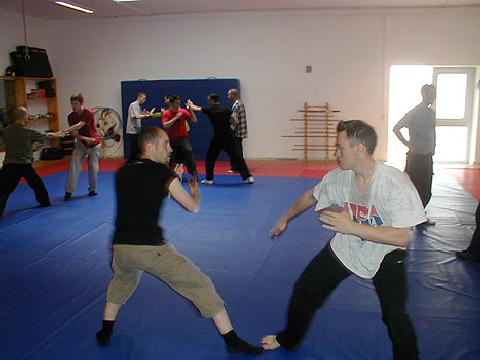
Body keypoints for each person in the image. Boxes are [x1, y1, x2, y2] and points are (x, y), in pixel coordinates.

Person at [261, 120, 425, 359]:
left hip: (386, 252)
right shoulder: (339, 177)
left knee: (394, 315)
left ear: (359, 149)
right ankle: (289, 338)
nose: (335, 153)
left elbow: (402, 236)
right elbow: (311, 196)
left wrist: (353, 227)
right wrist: (285, 218)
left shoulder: (395, 182)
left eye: (340, 148)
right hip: (347, 246)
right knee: (304, 290)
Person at [95, 126, 262, 355]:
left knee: (121, 283)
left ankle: (105, 331)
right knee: (201, 285)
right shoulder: (162, 173)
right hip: (151, 250)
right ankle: (232, 340)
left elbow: (143, 198)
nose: (170, 148)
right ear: (150, 146)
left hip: (121, 248)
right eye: (166, 143)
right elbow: (192, 207)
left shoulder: (123, 172)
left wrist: (170, 180)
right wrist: (194, 191)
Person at [0, 106, 64, 217]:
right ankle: (45, 203)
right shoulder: (27, 131)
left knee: (4, 190)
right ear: (24, 116)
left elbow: (16, 146)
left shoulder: (6, 131)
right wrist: (60, 134)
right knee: (37, 184)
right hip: (24, 165)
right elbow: (48, 136)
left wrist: (31, 149)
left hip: (10, 165)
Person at [187, 94, 254, 185]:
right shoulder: (226, 109)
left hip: (218, 138)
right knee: (237, 157)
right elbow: (235, 120)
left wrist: (190, 104)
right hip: (229, 136)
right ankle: (248, 177)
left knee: (210, 158)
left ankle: (209, 179)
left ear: (211, 100)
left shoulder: (210, 109)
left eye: (209, 100)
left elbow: (196, 108)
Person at [393, 84, 436, 212]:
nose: (433, 97)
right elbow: (396, 128)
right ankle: (408, 216)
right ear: (423, 94)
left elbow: (432, 131)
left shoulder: (431, 114)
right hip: (415, 158)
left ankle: (420, 215)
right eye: (430, 94)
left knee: (426, 190)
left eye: (434, 94)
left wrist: (434, 146)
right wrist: (408, 144)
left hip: (427, 157)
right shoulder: (414, 113)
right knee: (412, 188)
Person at [63, 93, 102, 201]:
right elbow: (75, 133)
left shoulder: (88, 113)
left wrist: (67, 129)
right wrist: (85, 139)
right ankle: (69, 191)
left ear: (81, 103)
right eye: (72, 104)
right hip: (81, 143)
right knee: (74, 164)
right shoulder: (71, 117)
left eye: (75, 103)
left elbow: (80, 125)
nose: (73, 106)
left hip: (94, 144)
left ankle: (93, 189)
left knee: (93, 167)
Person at [162, 94, 198, 178]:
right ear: (171, 103)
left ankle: (193, 173)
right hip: (172, 138)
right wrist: (175, 118)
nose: (178, 104)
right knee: (170, 156)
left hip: (183, 138)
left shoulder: (183, 112)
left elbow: (194, 120)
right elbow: (165, 125)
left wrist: (191, 110)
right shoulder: (167, 113)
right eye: (176, 103)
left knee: (188, 151)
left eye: (179, 103)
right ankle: (168, 174)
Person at [125, 92, 154, 162]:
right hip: (132, 130)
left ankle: (134, 162)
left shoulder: (138, 106)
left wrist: (145, 113)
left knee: (137, 148)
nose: (144, 100)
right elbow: (136, 116)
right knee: (134, 149)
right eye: (143, 98)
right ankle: (130, 162)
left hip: (137, 130)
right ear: (139, 97)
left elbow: (139, 115)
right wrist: (146, 115)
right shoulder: (133, 105)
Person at [227, 88, 248, 173]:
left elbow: (235, 120)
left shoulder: (236, 105)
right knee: (238, 149)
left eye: (229, 95)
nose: (228, 97)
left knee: (236, 150)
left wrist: (230, 129)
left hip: (237, 131)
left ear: (234, 95)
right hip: (241, 131)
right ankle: (239, 166)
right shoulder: (240, 103)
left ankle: (237, 167)